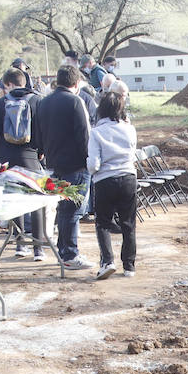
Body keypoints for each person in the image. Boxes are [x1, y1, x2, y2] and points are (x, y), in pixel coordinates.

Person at [35, 65, 95, 271]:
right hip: (76, 165)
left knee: (64, 209)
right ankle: (69, 253)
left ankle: (64, 250)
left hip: (53, 165)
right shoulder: (75, 102)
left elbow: (38, 135)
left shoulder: (43, 103)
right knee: (73, 210)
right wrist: (90, 160)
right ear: (77, 83)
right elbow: (84, 136)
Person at [0, 66, 47, 259]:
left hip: (8, 159)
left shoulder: (3, 103)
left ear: (9, 85)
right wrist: (41, 152)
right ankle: (39, 248)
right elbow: (42, 130)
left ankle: (20, 245)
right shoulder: (37, 100)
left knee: (14, 200)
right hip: (31, 157)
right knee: (36, 201)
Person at [87, 90, 139, 280]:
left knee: (102, 222)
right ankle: (129, 266)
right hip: (128, 178)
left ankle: (108, 261)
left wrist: (94, 170)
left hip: (105, 180)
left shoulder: (97, 132)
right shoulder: (129, 129)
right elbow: (132, 154)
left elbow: (93, 164)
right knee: (128, 223)